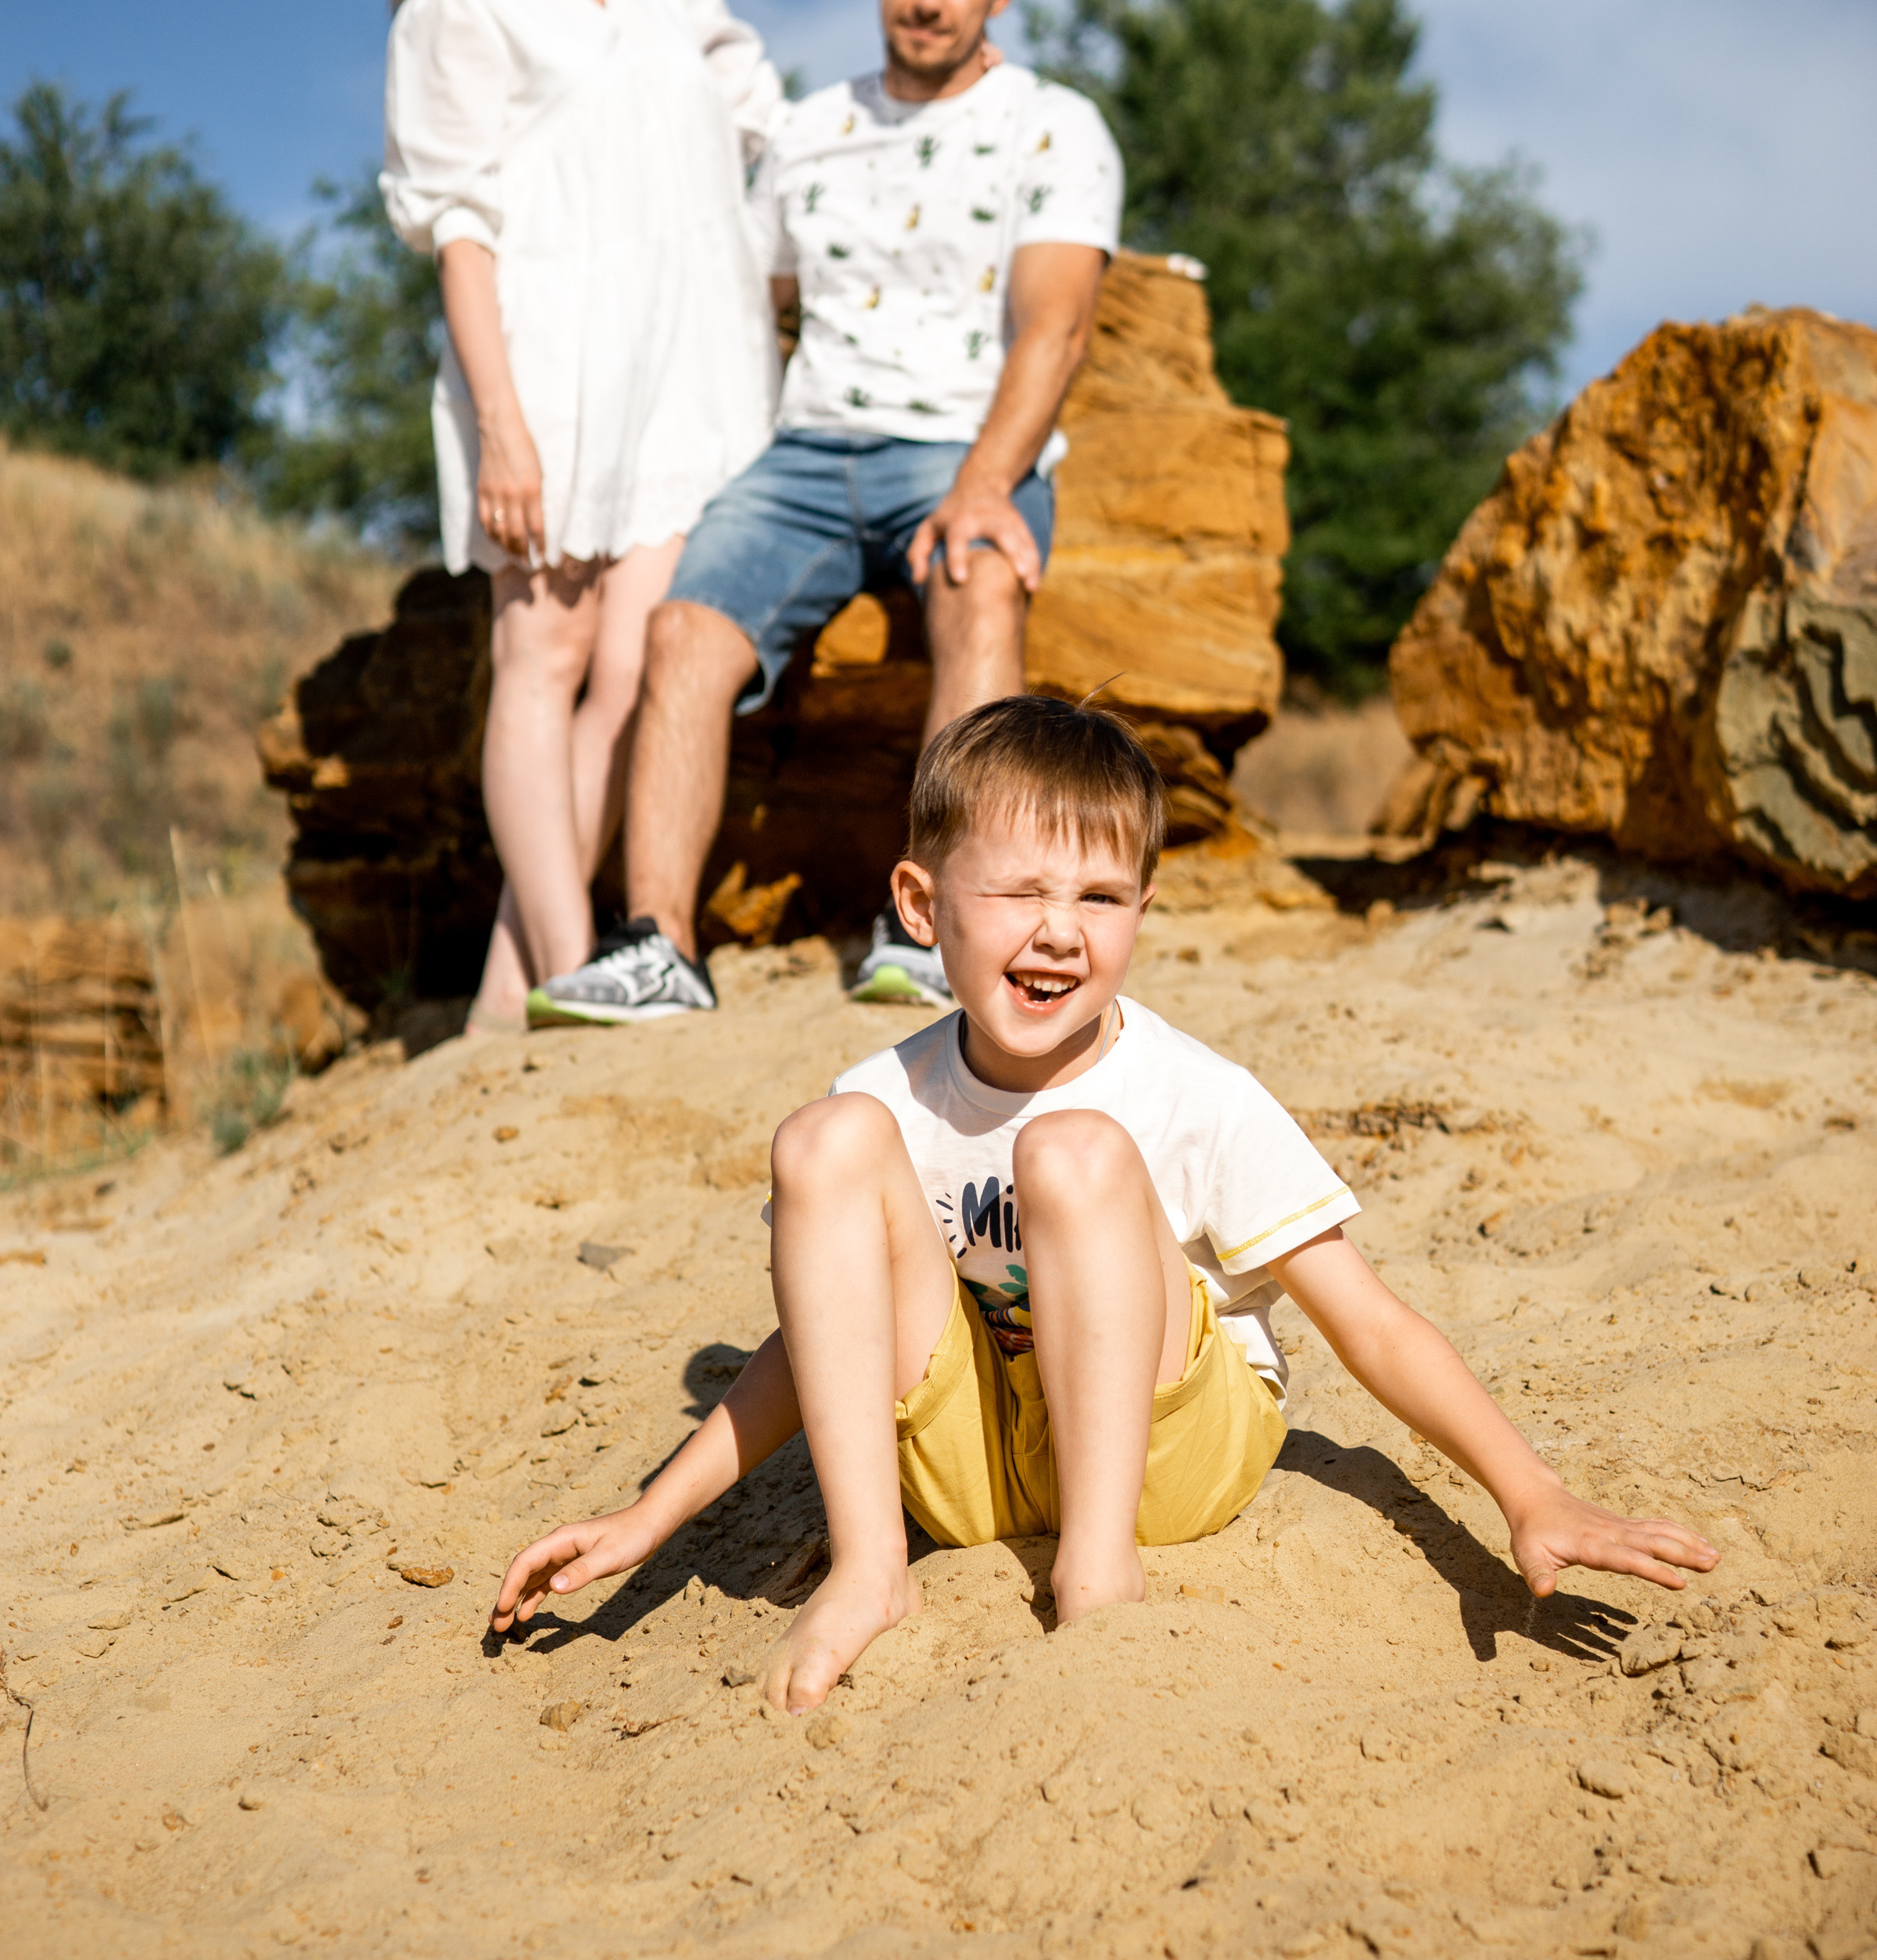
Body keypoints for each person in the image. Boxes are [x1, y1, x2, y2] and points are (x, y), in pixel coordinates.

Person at [490, 695, 1719, 1713]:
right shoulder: (893, 1091)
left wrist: (1530, 1491)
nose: (1059, 933)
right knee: (821, 1140)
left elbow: (1371, 1322)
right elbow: (812, 1349)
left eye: (1098, 898)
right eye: (1018, 893)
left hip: (1166, 1454)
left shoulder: (1192, 1092)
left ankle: (1096, 1570)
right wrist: (649, 1517)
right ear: (922, 909)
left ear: (1141, 910)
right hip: (972, 1471)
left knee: (1073, 1151)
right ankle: (871, 1569)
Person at [525, 0, 1122, 1027]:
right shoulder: (809, 132)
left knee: (980, 585)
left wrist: (987, 484)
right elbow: (745, 300)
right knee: (683, 632)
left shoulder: (1054, 125)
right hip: (803, 455)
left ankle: (943, 937)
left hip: (961, 442)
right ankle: (657, 949)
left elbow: (1060, 324)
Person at [381, 0, 781, 1032]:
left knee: (631, 665)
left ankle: (519, 993)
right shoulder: (457, 12)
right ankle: (568, 971)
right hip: (545, 372)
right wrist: (502, 427)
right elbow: (460, 229)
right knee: (539, 652)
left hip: (687, 370)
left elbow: (765, 122)